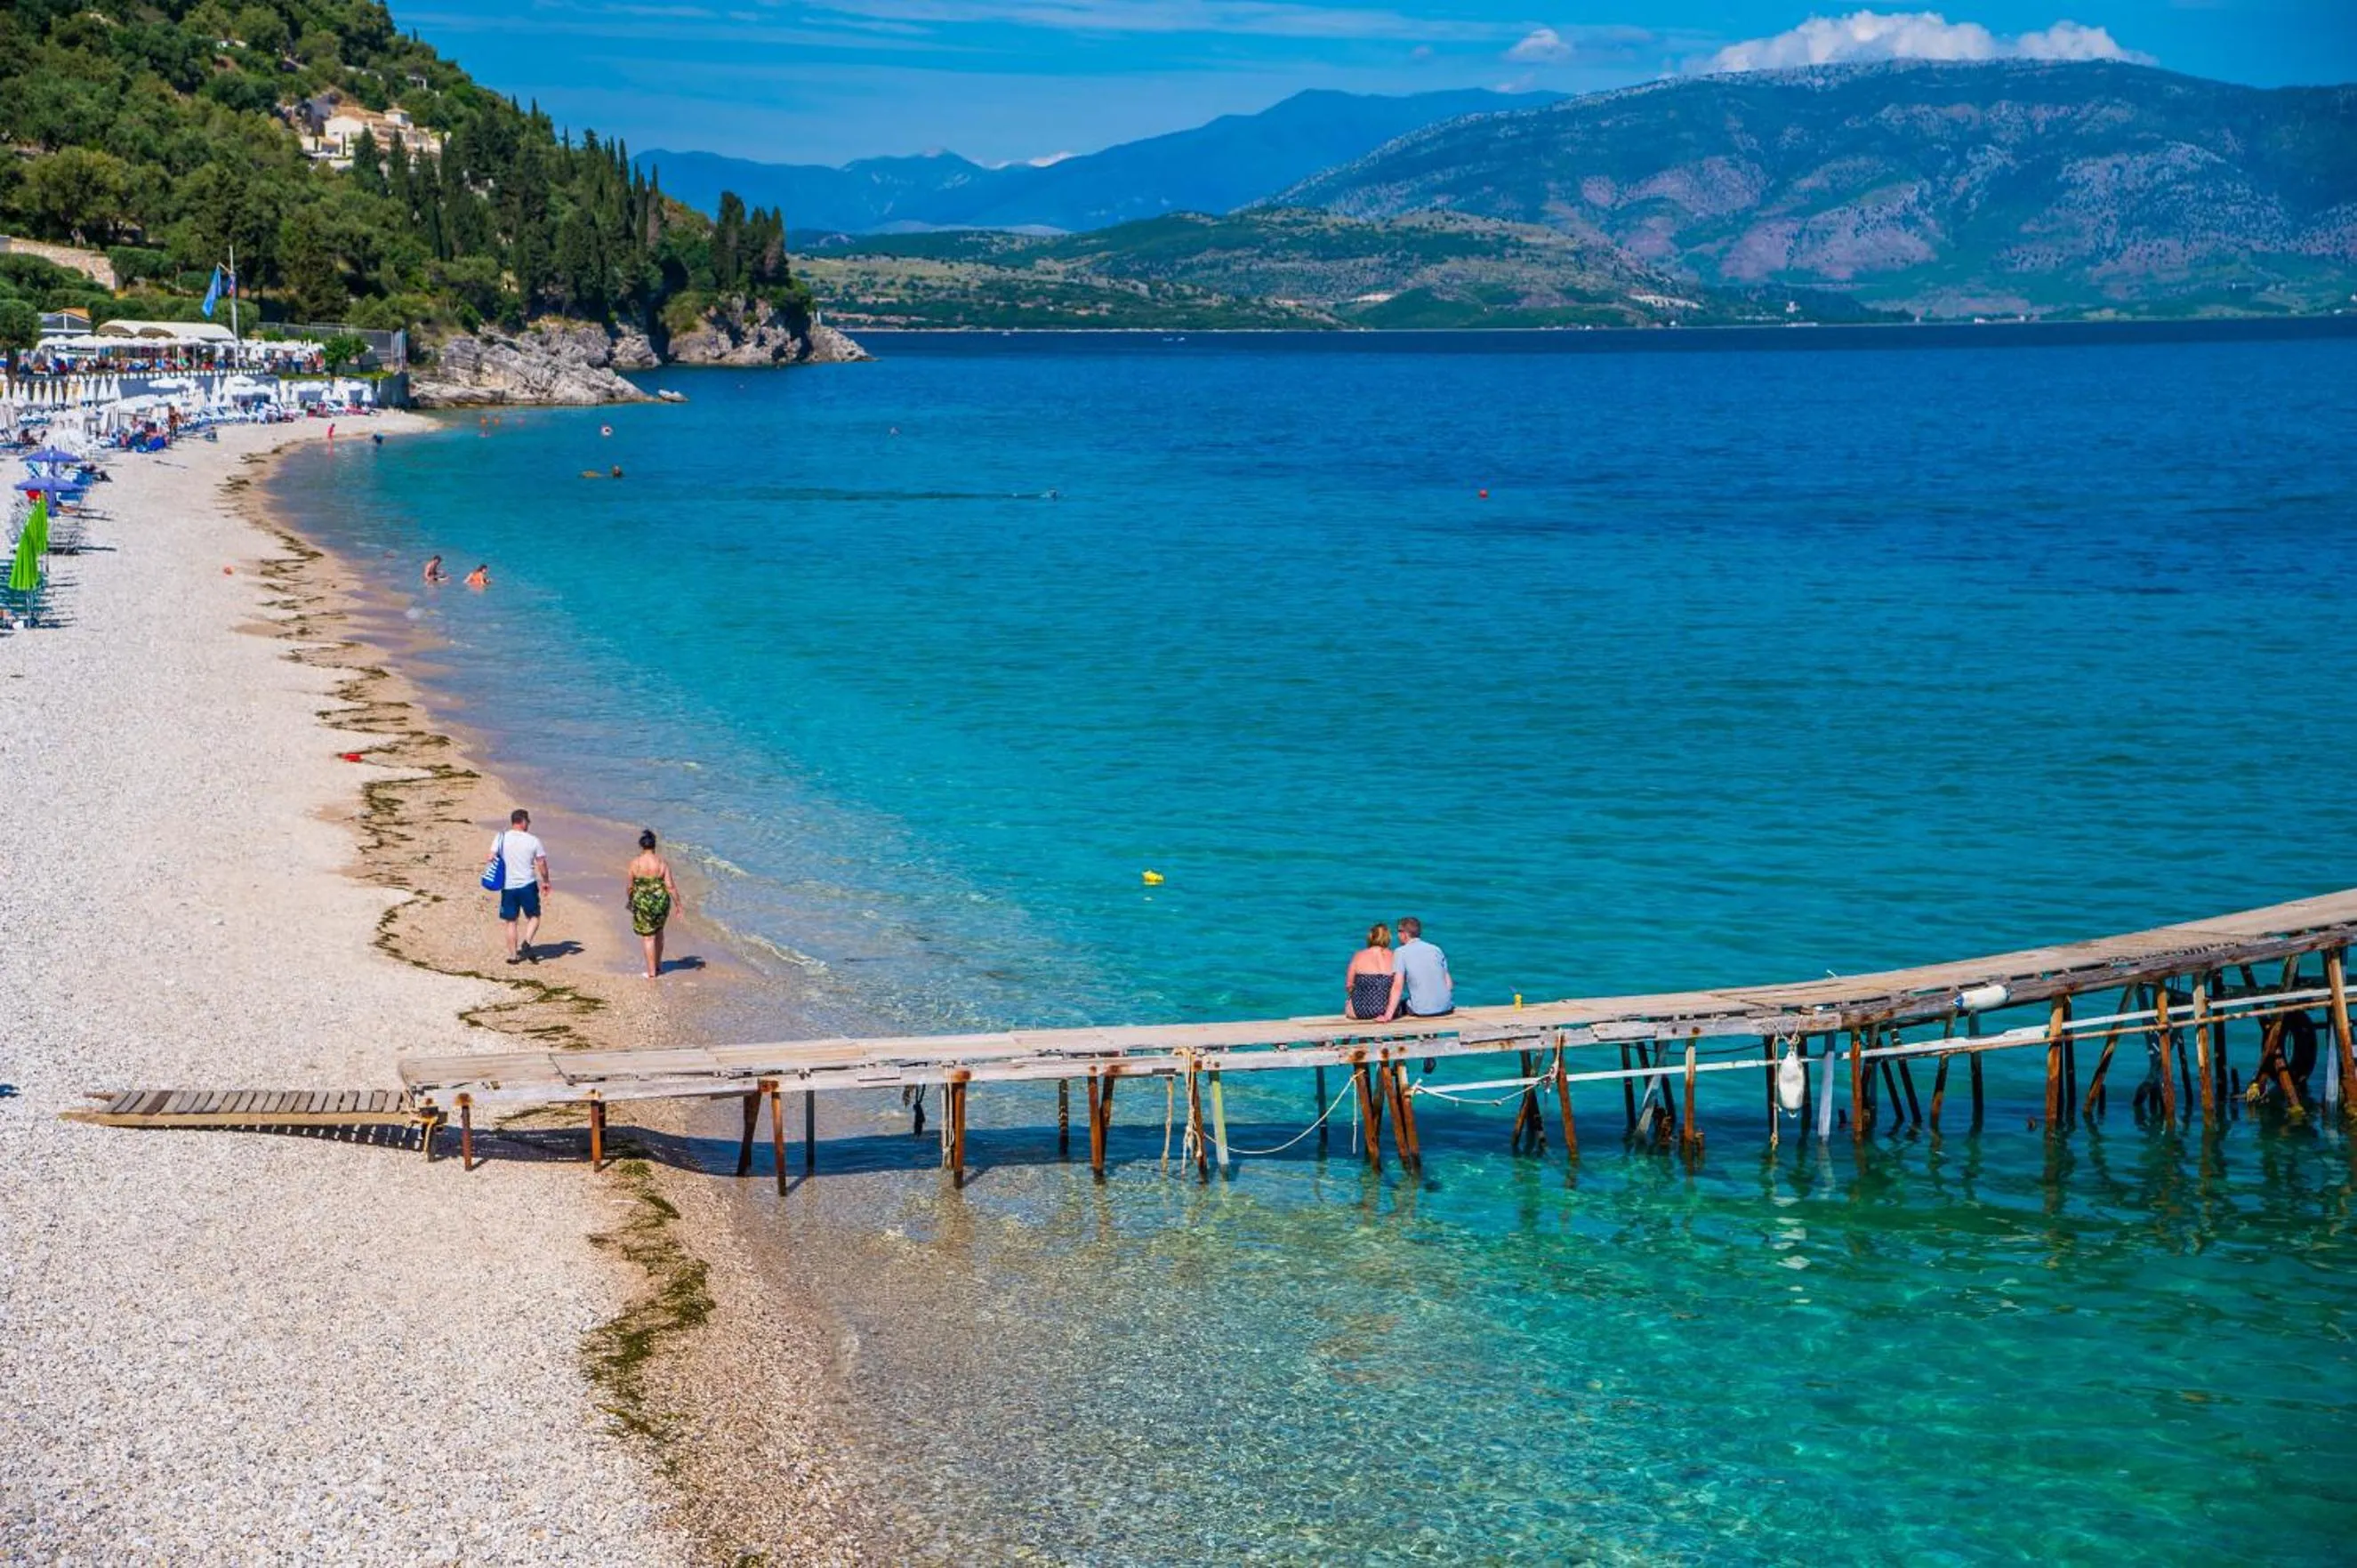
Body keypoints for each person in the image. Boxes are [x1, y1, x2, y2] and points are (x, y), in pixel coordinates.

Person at [489, 808, 551, 963]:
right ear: (523, 821)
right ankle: (527, 942)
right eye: (528, 821)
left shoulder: (501, 837)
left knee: (511, 921)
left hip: (508, 885)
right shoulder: (533, 840)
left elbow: (490, 857)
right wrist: (546, 881)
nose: (528, 824)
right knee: (534, 916)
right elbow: (541, 862)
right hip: (527, 884)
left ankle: (513, 956)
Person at [624, 829, 681, 980]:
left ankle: (651, 973)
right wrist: (678, 905)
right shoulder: (662, 863)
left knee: (648, 937)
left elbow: (630, 887)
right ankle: (658, 966)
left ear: (642, 846)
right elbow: (670, 886)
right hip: (660, 902)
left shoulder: (635, 863)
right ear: (654, 846)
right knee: (659, 932)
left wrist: (631, 901)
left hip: (643, 902)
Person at [1387, 916, 1453, 1022]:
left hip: (1422, 1011)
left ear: (1404, 934)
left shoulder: (1400, 952)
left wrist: (1388, 1016)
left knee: (1399, 1007)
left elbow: (1397, 986)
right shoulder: (1436, 949)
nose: (1398, 935)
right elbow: (1449, 984)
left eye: (1399, 931)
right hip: (1446, 1007)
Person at [1345, 923, 1398, 1022]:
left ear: (1370, 937)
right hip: (1387, 1012)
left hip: (1360, 1011)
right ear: (1388, 938)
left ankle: (1362, 1038)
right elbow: (1397, 987)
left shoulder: (1358, 956)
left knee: (1348, 1002)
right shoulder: (1395, 956)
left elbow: (1349, 985)